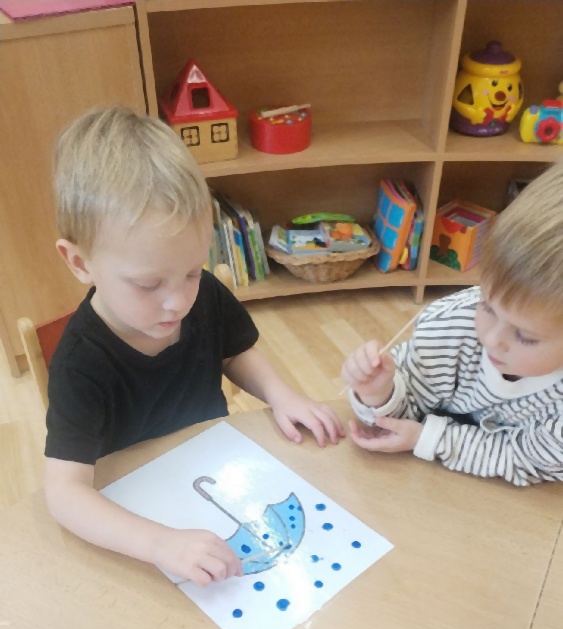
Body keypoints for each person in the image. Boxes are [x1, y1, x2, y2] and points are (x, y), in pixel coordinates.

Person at [44, 106, 344, 586]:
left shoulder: (203, 295)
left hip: (213, 467)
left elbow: (235, 352)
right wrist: (158, 543)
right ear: (80, 263)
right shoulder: (79, 365)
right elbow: (64, 494)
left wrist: (282, 395)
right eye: (148, 284)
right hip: (136, 516)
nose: (178, 302)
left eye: (190, 271)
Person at [341, 163, 563, 486]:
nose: (492, 339)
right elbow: (395, 416)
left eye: (525, 337)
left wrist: (429, 439)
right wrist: (378, 393)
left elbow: (525, 460)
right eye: (487, 306)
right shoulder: (450, 329)